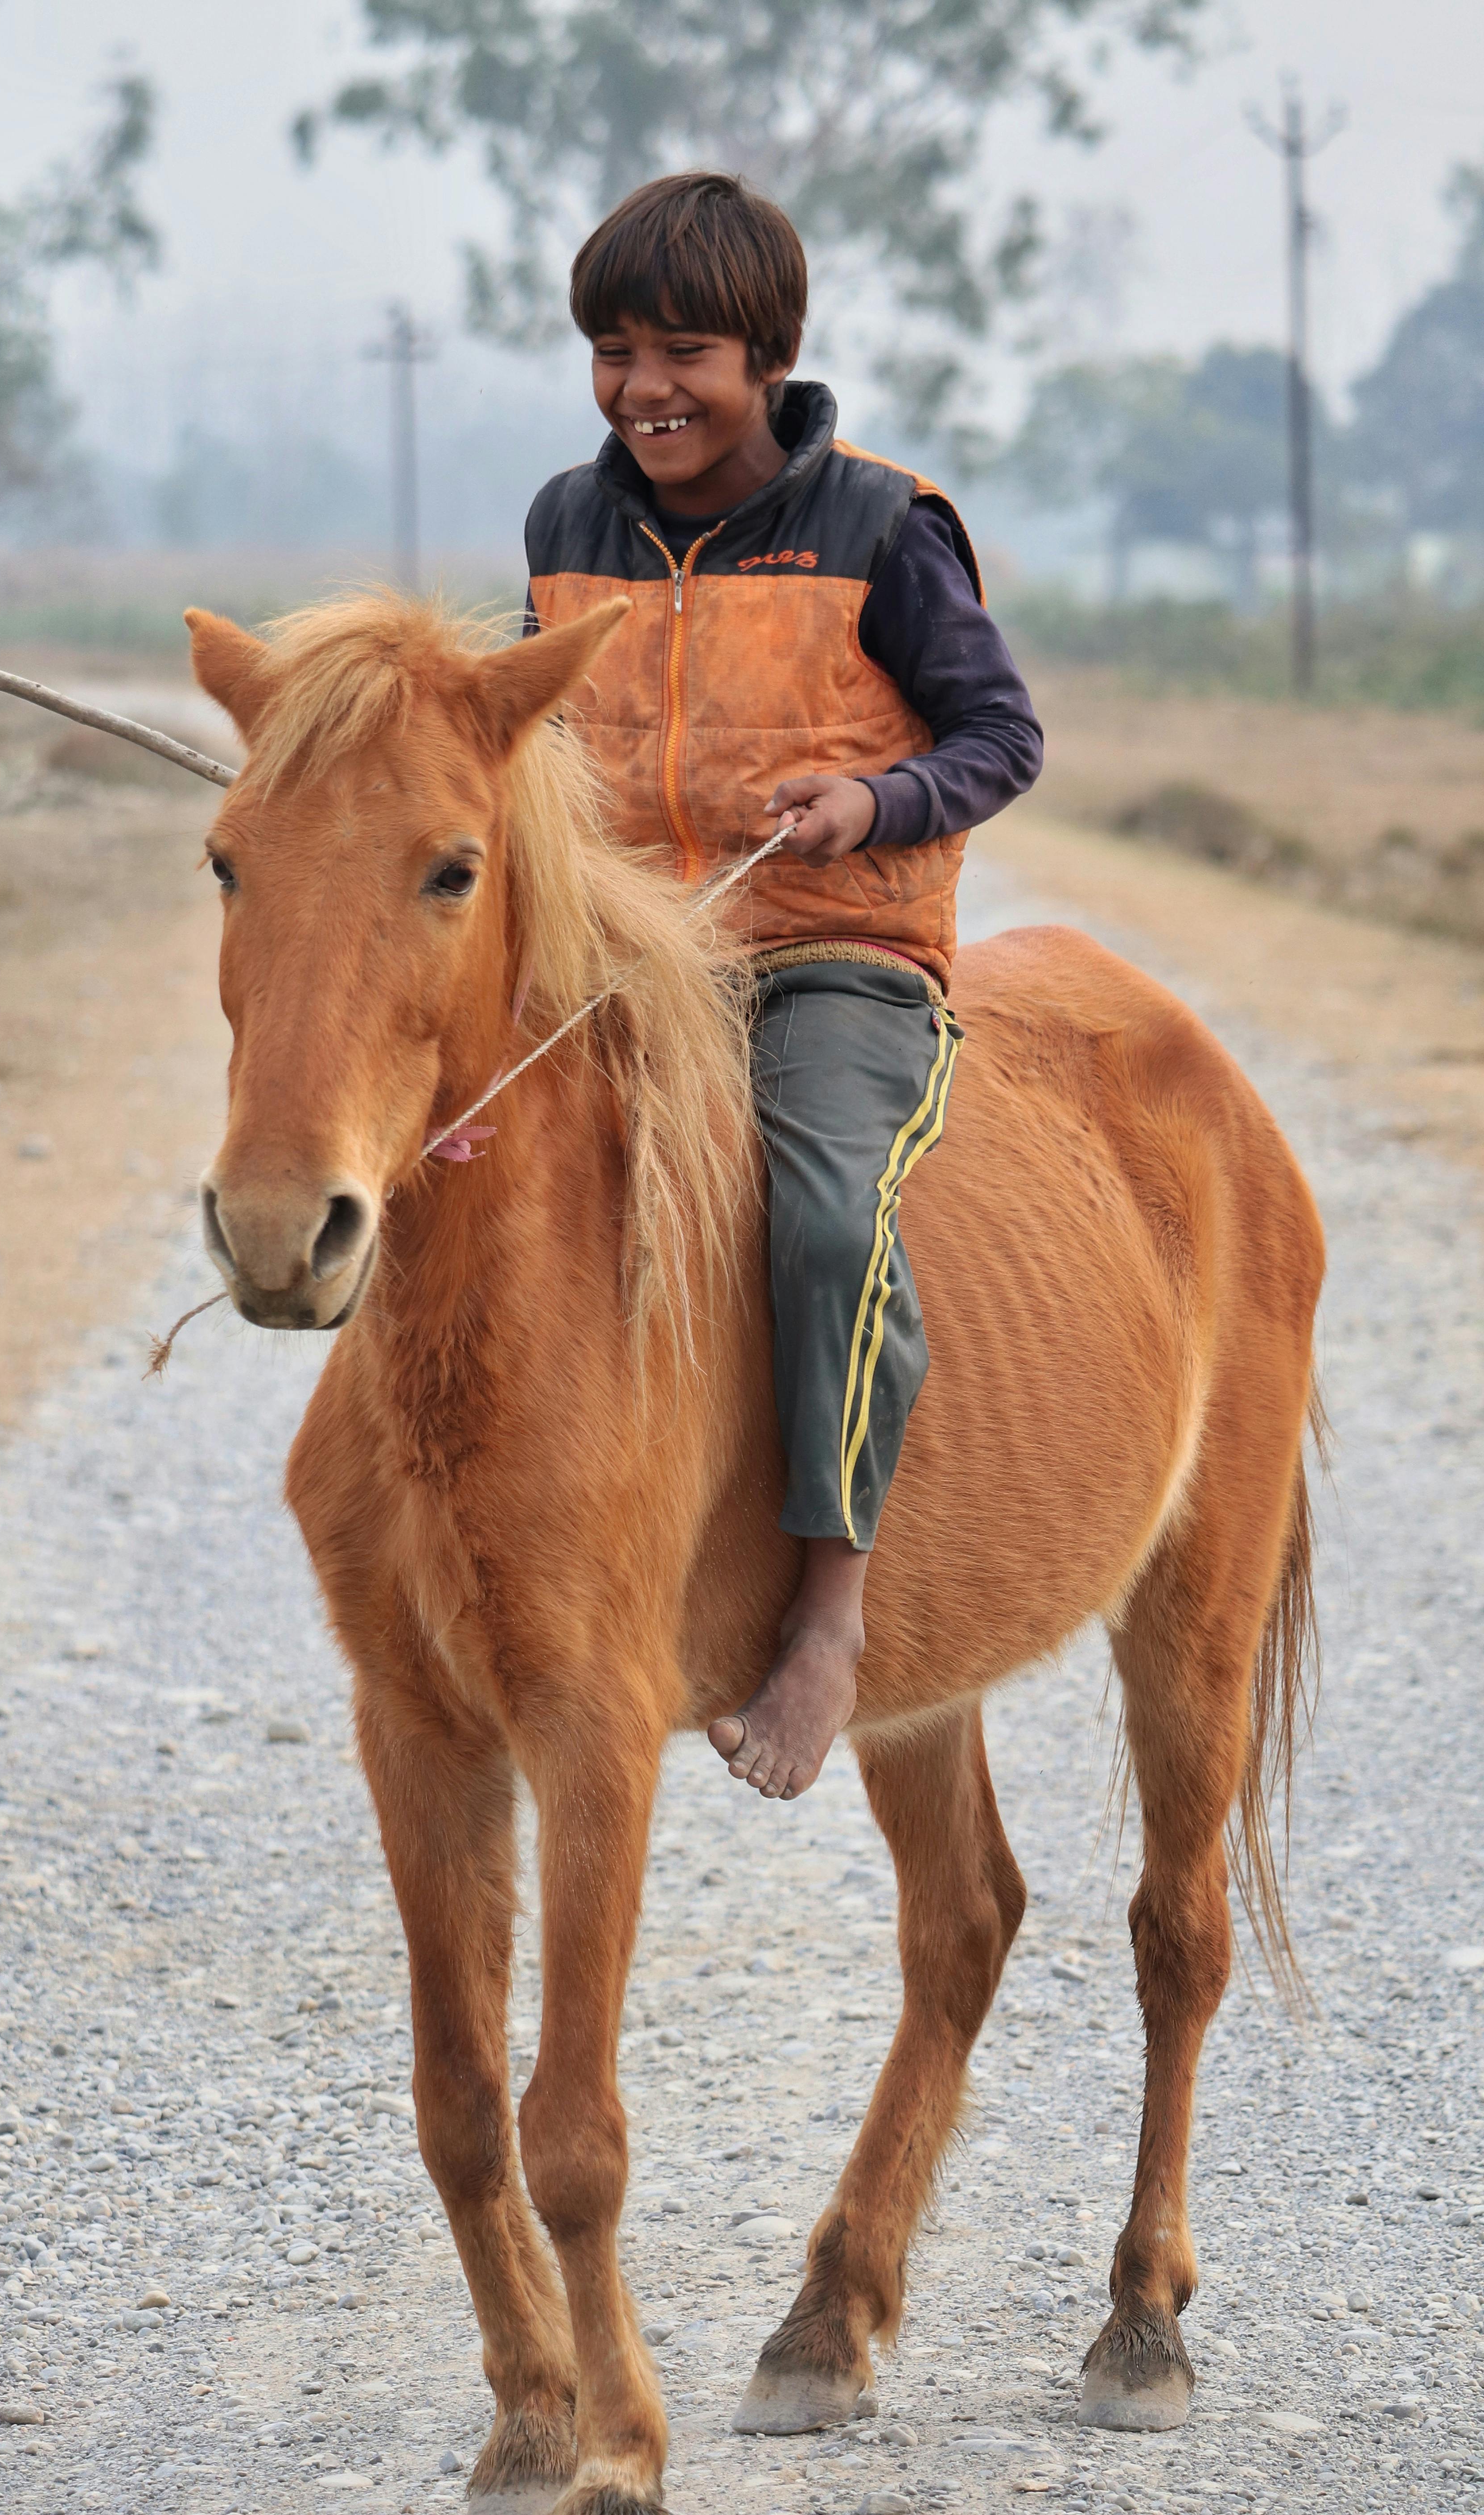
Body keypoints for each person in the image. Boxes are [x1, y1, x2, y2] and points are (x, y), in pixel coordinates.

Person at [523, 170, 1044, 1803]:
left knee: (823, 1214)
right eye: (614, 348)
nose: (644, 390)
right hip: (623, 954)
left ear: (769, 356)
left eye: (683, 350)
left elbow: (1001, 740)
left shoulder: (884, 527)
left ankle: (825, 1609)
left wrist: (871, 806)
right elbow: (514, 720)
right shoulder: (564, 526)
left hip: (831, 953)